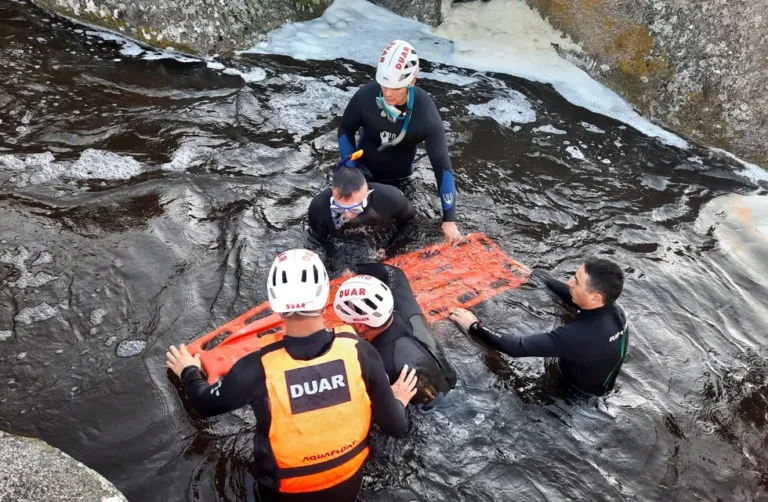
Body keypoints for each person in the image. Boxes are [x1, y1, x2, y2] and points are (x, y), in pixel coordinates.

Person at [166, 249, 419, 502]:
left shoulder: (255, 368)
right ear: (325, 298)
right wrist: (396, 400)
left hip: (283, 493)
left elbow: (204, 403)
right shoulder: (361, 351)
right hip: (347, 488)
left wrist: (189, 370)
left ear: (275, 304)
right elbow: (397, 427)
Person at [337, 39, 461, 242]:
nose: (387, 93)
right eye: (384, 86)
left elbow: (442, 168)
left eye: (395, 88)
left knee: (393, 236)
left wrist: (449, 220)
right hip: (362, 173)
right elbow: (345, 131)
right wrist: (352, 172)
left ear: (412, 82)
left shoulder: (425, 114)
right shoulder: (366, 97)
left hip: (399, 182)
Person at [449, 258, 629, 396]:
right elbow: (571, 296)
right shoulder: (615, 312)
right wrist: (533, 275)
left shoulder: (579, 336)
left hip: (573, 394)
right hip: (600, 382)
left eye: (576, 282)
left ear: (595, 297)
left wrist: (474, 325)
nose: (569, 282)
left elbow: (517, 347)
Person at [333, 263, 457, 404]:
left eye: (345, 321)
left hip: (434, 412)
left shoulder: (375, 362)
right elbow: (393, 272)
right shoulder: (406, 307)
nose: (343, 324)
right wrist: (356, 269)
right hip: (453, 385)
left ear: (360, 326)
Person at [308, 164, 416, 252]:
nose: (347, 215)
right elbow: (319, 242)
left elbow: (412, 221)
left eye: (354, 209)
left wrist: (391, 249)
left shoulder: (391, 198)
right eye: (339, 209)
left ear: (367, 194)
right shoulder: (319, 207)